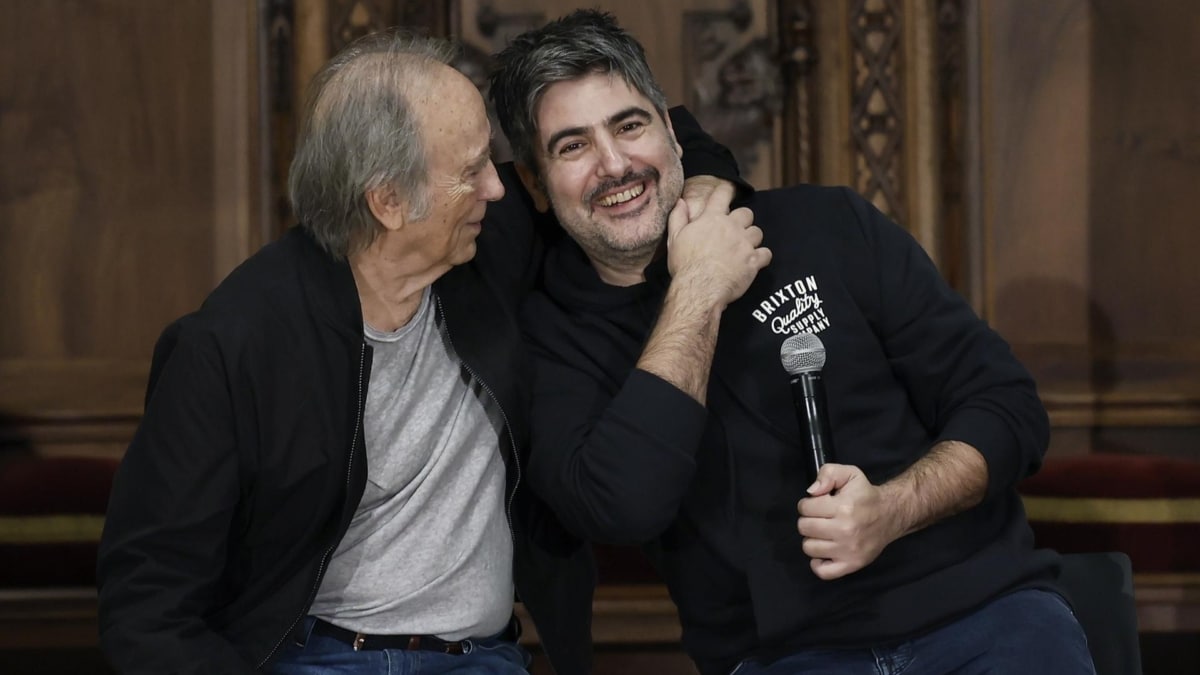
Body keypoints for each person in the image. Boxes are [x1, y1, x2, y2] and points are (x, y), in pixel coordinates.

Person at [96, 28, 744, 675]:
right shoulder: (232, 345)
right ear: (389, 201)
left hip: (484, 658)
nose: (498, 188)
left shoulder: (491, 244)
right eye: (471, 170)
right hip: (311, 658)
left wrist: (703, 194)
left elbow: (663, 137)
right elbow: (147, 604)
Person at [489, 10, 1096, 675]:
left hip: (985, 616)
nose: (614, 164)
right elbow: (623, 505)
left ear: (671, 128)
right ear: (533, 185)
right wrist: (698, 289)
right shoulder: (547, 341)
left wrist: (893, 508)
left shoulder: (825, 223)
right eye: (572, 146)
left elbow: (1010, 407)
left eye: (630, 125)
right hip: (783, 657)